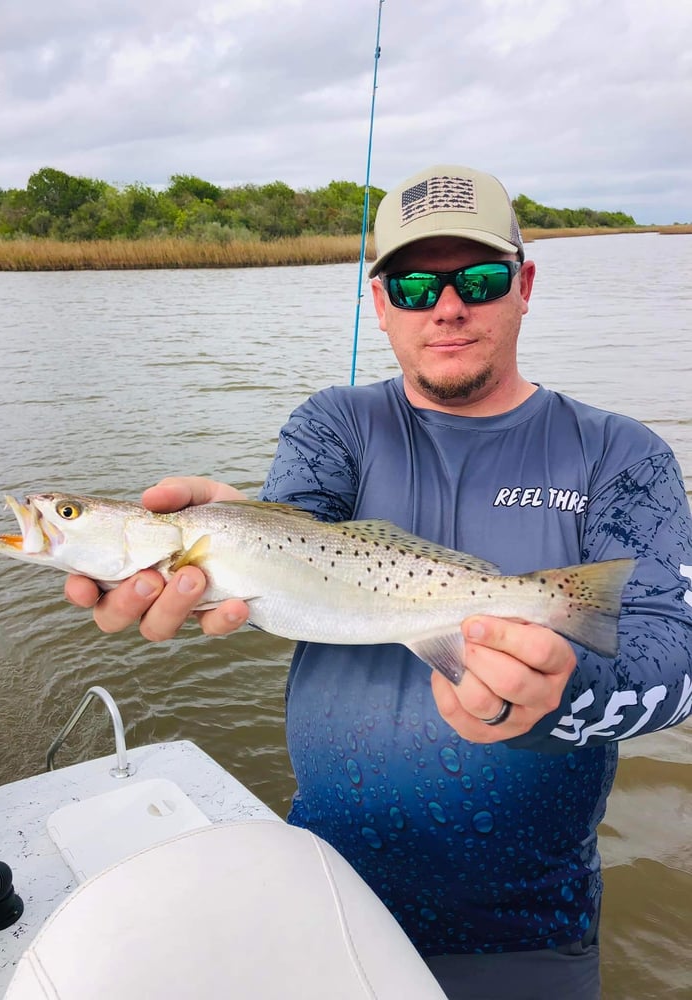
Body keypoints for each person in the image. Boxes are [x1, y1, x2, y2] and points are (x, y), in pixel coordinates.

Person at [65, 164, 692, 1000]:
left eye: (478, 276)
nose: (448, 306)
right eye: (413, 283)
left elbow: (674, 659)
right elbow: (297, 518)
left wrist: (559, 692)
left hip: (527, 931)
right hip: (320, 890)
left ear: (524, 284)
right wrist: (235, 536)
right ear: (380, 301)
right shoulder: (334, 423)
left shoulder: (623, 454)